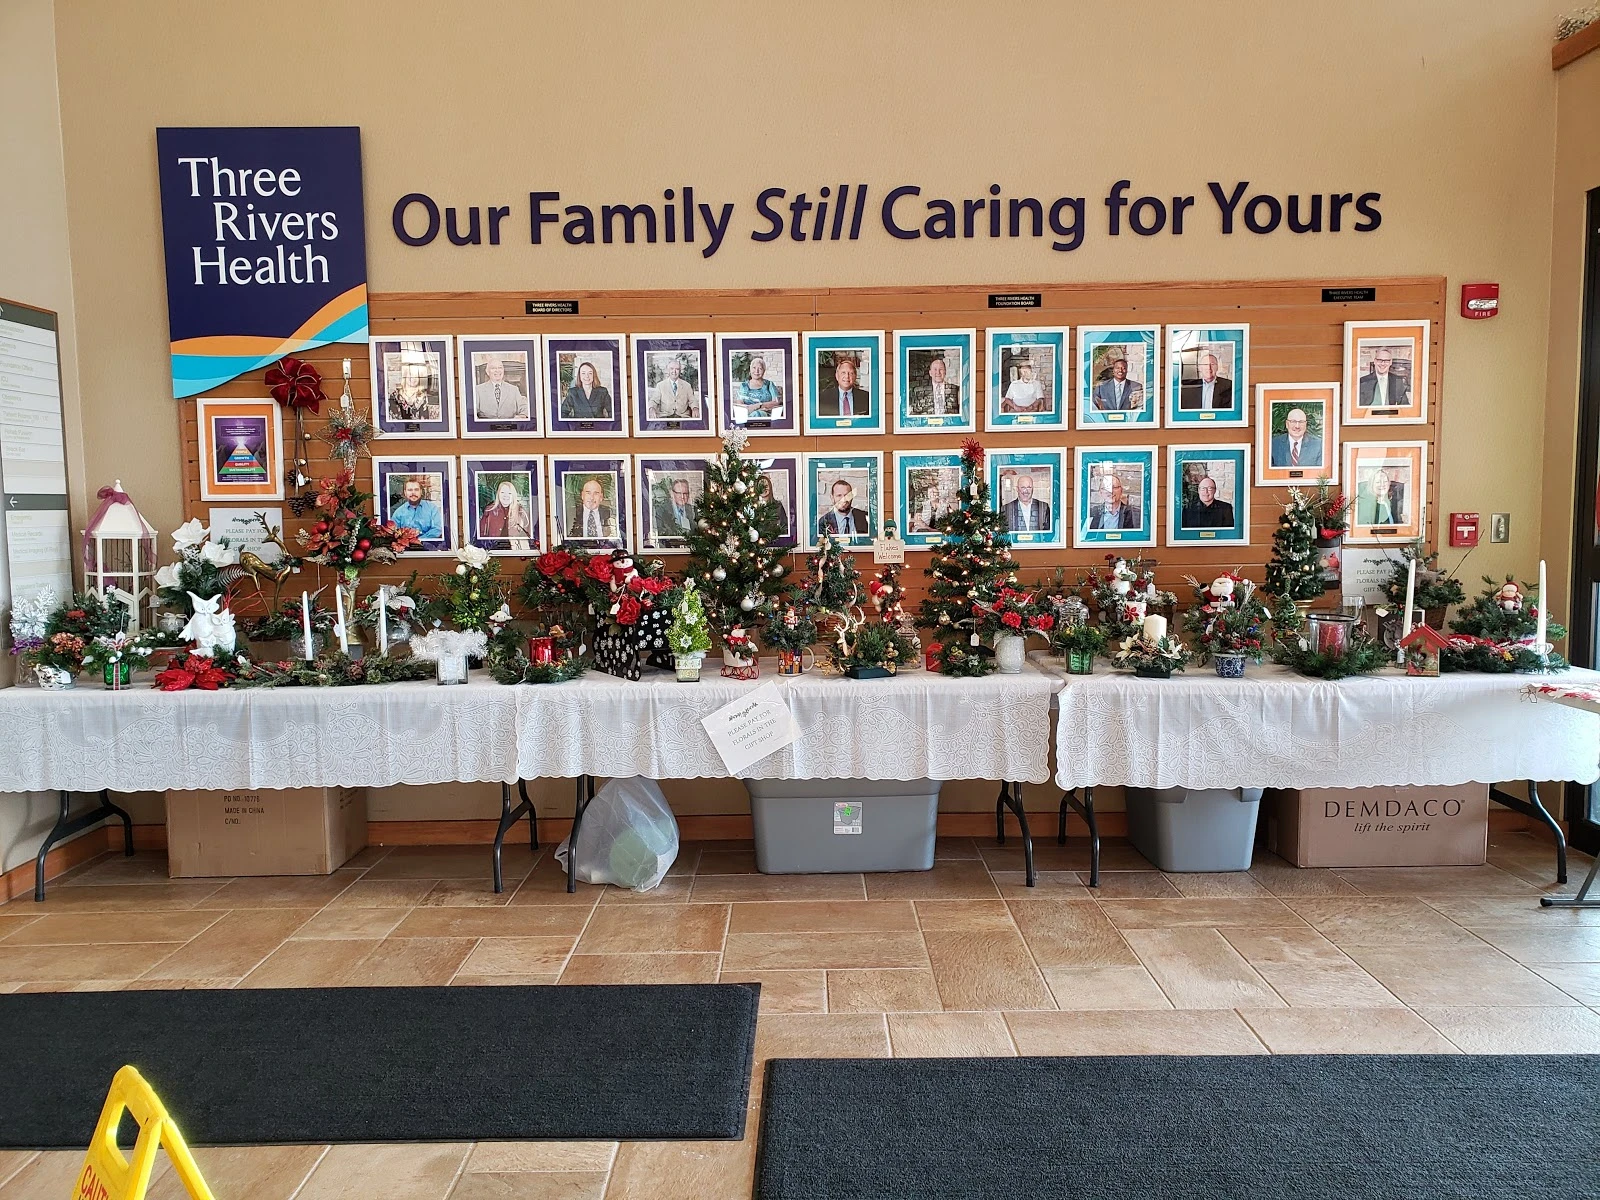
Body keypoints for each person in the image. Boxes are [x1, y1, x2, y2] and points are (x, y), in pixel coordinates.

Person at [473, 356, 528, 421]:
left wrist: (522, 416)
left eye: (500, 367)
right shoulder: (478, 390)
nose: (497, 370)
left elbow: (525, 408)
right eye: (493, 368)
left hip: (510, 426)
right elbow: (472, 414)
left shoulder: (514, 389)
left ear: (503, 370)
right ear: (487, 372)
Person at [479, 478, 533, 544]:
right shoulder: (489, 510)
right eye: (502, 492)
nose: (506, 495)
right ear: (498, 494)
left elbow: (528, 536)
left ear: (513, 495)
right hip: (493, 548)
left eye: (509, 493)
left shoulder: (521, 512)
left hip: (515, 548)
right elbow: (481, 534)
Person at [391, 476, 443, 541]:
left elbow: (437, 529)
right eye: (410, 490)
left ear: (421, 492)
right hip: (406, 546)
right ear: (405, 492)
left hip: (428, 545)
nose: (413, 493)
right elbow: (394, 533)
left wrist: (419, 540)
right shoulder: (398, 513)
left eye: (416, 489)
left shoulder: (432, 508)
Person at [818, 353, 869, 418]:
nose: (847, 376)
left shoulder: (866, 397)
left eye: (851, 373)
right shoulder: (823, 398)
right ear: (837, 376)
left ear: (855, 376)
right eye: (843, 373)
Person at [734, 355, 783, 421]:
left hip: (766, 413)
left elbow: (776, 402)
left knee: (757, 413)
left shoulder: (769, 384)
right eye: (754, 368)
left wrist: (758, 406)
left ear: (764, 371)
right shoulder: (744, 385)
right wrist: (749, 409)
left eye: (760, 368)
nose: (756, 371)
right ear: (750, 369)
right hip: (748, 414)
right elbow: (740, 403)